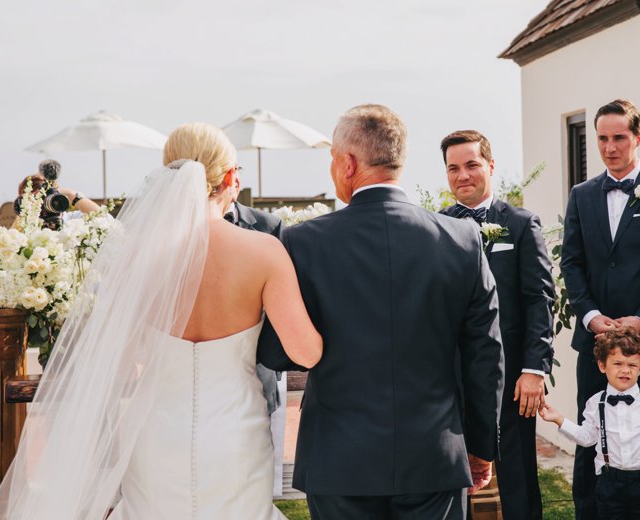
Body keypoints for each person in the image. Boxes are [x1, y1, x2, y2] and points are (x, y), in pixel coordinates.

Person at [0, 123, 322, 519]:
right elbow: (306, 352)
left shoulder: (136, 257)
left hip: (154, 431)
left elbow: (121, 362)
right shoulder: (265, 252)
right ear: (230, 178)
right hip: (235, 432)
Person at [258, 104, 504, 520]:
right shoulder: (462, 239)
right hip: (433, 456)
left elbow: (278, 353)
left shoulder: (302, 243)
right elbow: (486, 355)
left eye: (333, 160)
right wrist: (480, 447)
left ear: (348, 163)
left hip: (339, 460)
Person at [561, 99, 640, 520]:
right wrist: (590, 314)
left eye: (619, 137)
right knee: (590, 434)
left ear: (638, 137)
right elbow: (571, 262)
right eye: (602, 138)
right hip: (594, 337)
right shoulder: (580, 195)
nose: (610, 147)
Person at [439, 129, 554, 520]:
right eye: (453, 168)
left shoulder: (521, 225)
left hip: (513, 377)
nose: (462, 175)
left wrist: (534, 370)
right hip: (452, 378)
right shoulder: (436, 227)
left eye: (471, 165)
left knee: (518, 475)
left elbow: (540, 300)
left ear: (490, 165)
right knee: (455, 477)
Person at [539, 328, 640, 520]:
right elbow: (587, 438)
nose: (625, 370)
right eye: (618, 363)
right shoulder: (596, 403)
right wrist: (559, 420)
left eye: (632, 365)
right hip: (609, 482)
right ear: (602, 366)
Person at [224, 172, 289, 496]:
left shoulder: (270, 227)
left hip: (257, 369)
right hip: (199, 374)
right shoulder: (173, 236)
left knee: (256, 479)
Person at [12, 173, 100, 230]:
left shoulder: (73, 221)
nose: (42, 203)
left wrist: (72, 194)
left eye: (47, 197)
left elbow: (104, 219)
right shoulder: (25, 231)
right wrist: (23, 216)